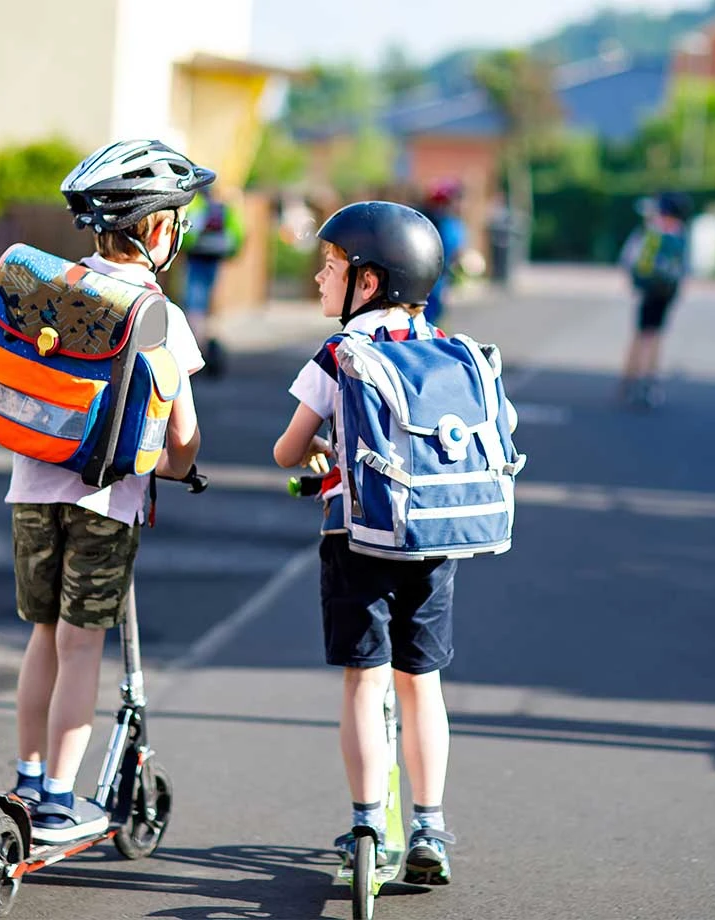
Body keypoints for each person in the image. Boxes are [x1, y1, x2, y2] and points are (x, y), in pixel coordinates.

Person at [273, 200, 503, 886]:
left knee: (363, 678)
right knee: (420, 683)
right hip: (436, 538)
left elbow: (288, 448)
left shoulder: (341, 354)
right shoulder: (451, 351)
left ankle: (370, 821)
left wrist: (319, 447)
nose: (320, 278)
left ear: (368, 282)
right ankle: (430, 824)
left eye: (332, 266)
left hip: (360, 538)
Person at [6, 139, 210, 843]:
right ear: (157, 230)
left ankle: (27, 776)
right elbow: (182, 437)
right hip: (106, 501)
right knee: (81, 645)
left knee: (42, 638)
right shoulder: (160, 316)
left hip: (31, 487)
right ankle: (60, 799)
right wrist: (183, 469)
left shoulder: (51, 290)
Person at [618, 190, 692, 408]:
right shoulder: (680, 232)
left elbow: (628, 257)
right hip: (667, 290)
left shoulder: (651, 229)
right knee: (656, 335)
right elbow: (685, 266)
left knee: (641, 334)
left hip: (648, 288)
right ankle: (650, 380)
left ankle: (630, 380)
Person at [181, 184, 245, 376]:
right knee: (209, 300)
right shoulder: (224, 208)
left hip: (196, 257)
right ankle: (210, 340)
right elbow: (238, 234)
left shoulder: (196, 206)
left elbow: (186, 233)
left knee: (194, 302)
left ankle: (197, 346)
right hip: (215, 257)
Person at [418, 179, 467, 326]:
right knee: (428, 316)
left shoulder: (452, 224)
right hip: (431, 278)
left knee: (434, 314)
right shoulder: (444, 223)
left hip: (440, 277)